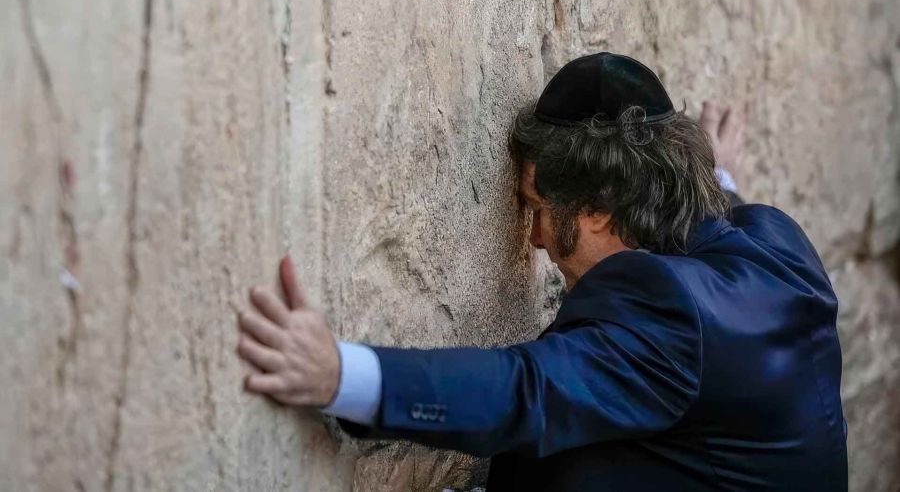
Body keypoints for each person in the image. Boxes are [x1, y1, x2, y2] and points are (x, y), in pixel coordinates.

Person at [232, 53, 848, 491]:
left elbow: (526, 390)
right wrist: (713, 172)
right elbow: (728, 208)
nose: (534, 239)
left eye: (540, 209)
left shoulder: (673, 315)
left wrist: (341, 375)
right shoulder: (777, 243)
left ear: (602, 208)